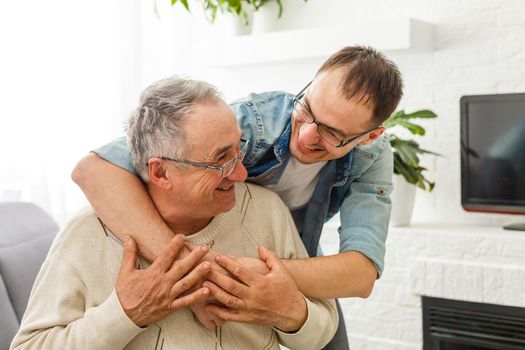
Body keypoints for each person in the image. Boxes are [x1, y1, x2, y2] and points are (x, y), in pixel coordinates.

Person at [72, 45, 403, 349]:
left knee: (329, 338)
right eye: (307, 109)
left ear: (370, 136)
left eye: (333, 134)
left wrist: (261, 277)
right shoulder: (255, 119)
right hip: (214, 250)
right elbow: (93, 169)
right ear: (310, 85)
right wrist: (194, 276)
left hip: (288, 258)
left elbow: (361, 275)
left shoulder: (371, 158)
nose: (306, 136)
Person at [11, 77, 338, 350]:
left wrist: (289, 312)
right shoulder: (87, 235)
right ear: (161, 173)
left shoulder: (266, 211)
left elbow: (324, 330)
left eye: (238, 151)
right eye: (221, 161)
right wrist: (125, 313)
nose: (240, 175)